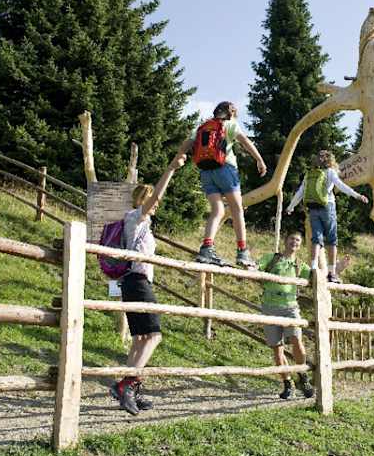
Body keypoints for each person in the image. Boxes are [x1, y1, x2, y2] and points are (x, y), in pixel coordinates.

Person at [110, 155, 184, 415]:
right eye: (153, 200)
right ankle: (127, 385)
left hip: (132, 282)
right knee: (154, 336)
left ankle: (130, 387)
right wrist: (171, 169)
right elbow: (157, 195)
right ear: (143, 200)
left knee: (140, 338)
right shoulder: (135, 217)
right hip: (138, 282)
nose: (157, 204)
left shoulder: (138, 223)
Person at [258, 232, 351, 399]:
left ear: (300, 245)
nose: (294, 242)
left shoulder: (299, 265)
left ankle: (302, 376)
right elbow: (257, 267)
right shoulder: (272, 258)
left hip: (290, 307)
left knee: (297, 340)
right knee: (277, 349)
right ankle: (287, 383)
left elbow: (318, 277)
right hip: (269, 306)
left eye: (297, 240)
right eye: (291, 239)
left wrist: (337, 269)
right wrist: (249, 267)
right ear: (285, 241)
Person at [176, 101, 267, 268]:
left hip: (205, 171)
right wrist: (259, 160)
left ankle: (206, 249)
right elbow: (245, 142)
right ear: (231, 113)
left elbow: (187, 143)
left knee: (217, 211)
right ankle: (242, 252)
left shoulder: (203, 126)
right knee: (237, 209)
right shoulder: (230, 124)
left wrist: (180, 155)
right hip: (225, 169)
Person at [286, 150, 368, 283]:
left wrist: (291, 206)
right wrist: (357, 195)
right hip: (327, 207)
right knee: (331, 240)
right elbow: (340, 185)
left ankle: (313, 268)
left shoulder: (309, 174)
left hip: (313, 208)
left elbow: (300, 192)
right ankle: (331, 273)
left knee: (316, 239)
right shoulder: (330, 172)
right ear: (330, 160)